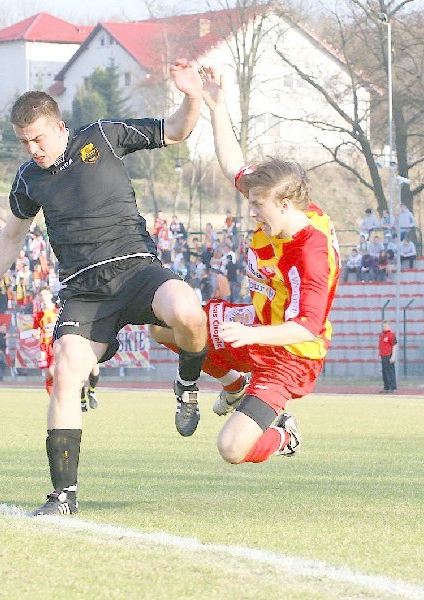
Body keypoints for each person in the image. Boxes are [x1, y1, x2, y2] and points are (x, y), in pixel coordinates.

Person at [0, 59, 208, 517]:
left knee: (188, 310)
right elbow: (11, 237)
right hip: (85, 292)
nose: (33, 149)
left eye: (39, 138)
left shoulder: (104, 137)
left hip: (136, 271)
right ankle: (63, 495)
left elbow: (177, 130)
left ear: (60, 126)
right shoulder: (29, 180)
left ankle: (187, 382)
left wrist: (192, 96)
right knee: (67, 370)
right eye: (24, 141)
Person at [152, 64, 341, 467]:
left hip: (292, 353)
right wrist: (216, 105)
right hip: (256, 323)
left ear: (285, 204)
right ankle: (236, 386)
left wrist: (248, 332)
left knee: (232, 449)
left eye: (258, 205)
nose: (251, 210)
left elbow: (307, 324)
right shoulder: (279, 203)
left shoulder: (310, 254)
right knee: (167, 327)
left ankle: (284, 435)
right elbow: (232, 166)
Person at [378, 320, 397, 393]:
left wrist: (393, 356)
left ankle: (393, 387)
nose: (384, 327)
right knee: (384, 372)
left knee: (390, 372)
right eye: (383, 326)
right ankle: (386, 387)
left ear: (389, 326)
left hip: (389, 355)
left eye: (386, 326)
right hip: (383, 356)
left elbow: (394, 345)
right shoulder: (382, 335)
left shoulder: (391, 335)